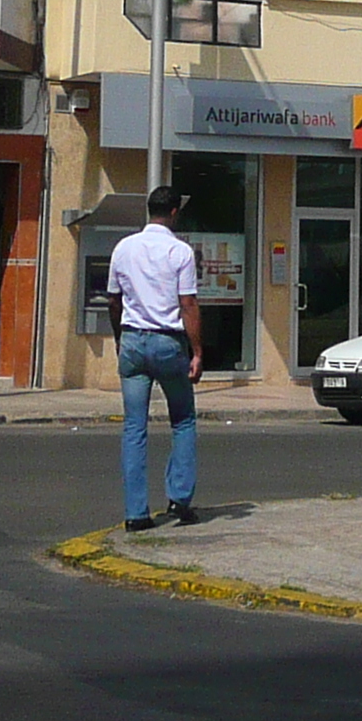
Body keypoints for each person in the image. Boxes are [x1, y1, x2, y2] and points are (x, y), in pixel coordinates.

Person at [107, 185, 205, 532]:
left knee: (134, 427)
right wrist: (197, 352)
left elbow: (114, 301)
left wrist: (121, 340)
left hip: (133, 340)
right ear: (175, 212)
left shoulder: (123, 248)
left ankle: (136, 514)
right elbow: (188, 305)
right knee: (182, 419)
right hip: (168, 343)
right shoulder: (180, 252)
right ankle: (180, 498)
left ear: (149, 210)